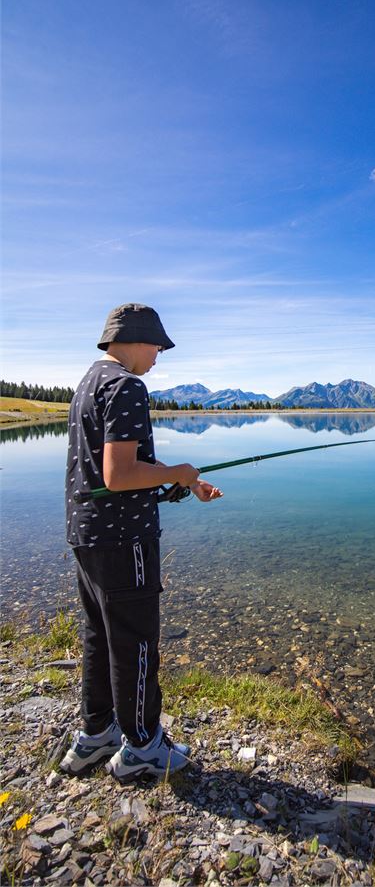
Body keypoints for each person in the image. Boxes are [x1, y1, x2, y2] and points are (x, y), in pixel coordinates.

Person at [59, 303, 222, 781]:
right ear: (135, 339)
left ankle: (97, 733)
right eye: (158, 346)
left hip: (88, 534)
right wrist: (181, 470)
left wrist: (177, 486)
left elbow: (109, 477)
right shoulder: (128, 386)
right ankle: (143, 745)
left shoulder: (88, 383)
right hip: (124, 541)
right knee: (136, 640)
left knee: (99, 636)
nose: (158, 357)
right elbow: (118, 472)